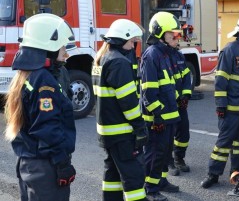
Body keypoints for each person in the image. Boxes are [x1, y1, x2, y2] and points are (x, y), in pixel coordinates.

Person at [4, 13, 76, 201]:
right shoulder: (44, 82)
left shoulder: (28, 75)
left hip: (29, 163)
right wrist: (61, 162)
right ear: (48, 46)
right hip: (46, 167)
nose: (66, 53)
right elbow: (48, 128)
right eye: (62, 47)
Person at [200, 12, 239, 189]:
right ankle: (213, 174)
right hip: (232, 108)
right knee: (224, 143)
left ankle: (236, 172)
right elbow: (221, 81)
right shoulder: (229, 50)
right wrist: (220, 105)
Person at [92, 19, 148, 201]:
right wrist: (140, 128)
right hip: (122, 131)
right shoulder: (119, 63)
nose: (133, 47)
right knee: (133, 175)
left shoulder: (101, 59)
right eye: (132, 41)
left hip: (107, 131)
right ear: (121, 39)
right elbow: (129, 103)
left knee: (113, 174)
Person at [140, 12, 182, 201]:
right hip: (158, 117)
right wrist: (157, 115)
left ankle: (161, 181)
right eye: (173, 34)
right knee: (155, 153)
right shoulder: (152, 55)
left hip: (169, 115)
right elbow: (148, 91)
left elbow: (168, 86)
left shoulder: (165, 54)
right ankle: (150, 188)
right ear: (161, 33)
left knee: (165, 153)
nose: (177, 38)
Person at [165, 35, 192, 176]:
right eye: (174, 38)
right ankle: (168, 161)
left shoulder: (179, 55)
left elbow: (186, 76)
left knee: (183, 132)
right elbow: (165, 82)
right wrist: (176, 97)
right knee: (168, 135)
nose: (177, 41)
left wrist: (186, 95)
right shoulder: (161, 56)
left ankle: (179, 159)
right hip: (169, 103)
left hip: (180, 103)